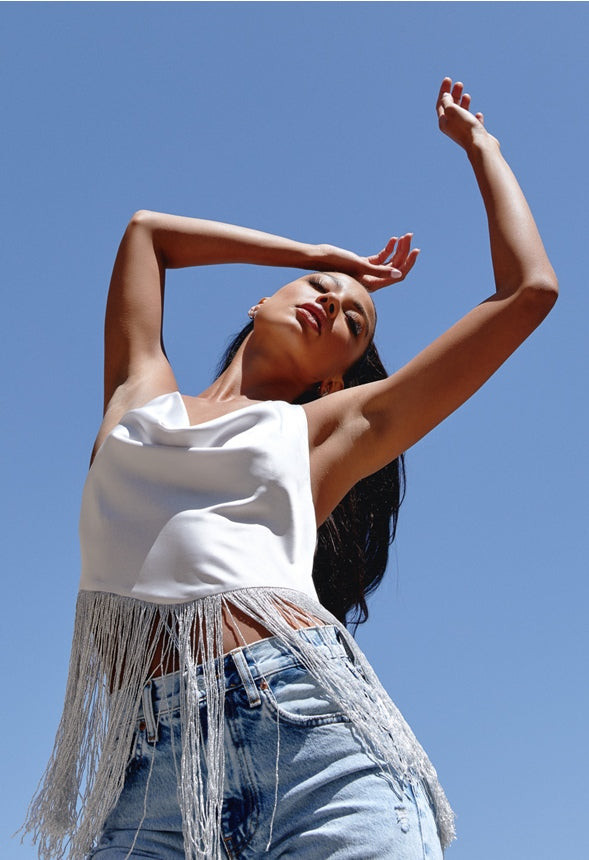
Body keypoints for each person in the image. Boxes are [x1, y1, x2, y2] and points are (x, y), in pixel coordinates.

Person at [22, 78, 557, 859]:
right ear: (258, 302)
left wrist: (483, 148)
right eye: (317, 288)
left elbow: (525, 293)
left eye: (352, 317)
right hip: (145, 775)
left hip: (310, 737)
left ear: (340, 375)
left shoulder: (325, 430)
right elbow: (147, 235)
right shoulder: (138, 392)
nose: (331, 302)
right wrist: (321, 253)